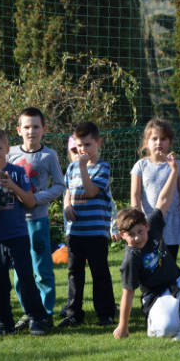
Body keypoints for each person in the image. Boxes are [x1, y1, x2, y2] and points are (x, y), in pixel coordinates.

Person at [113, 153, 180, 340]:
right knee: (164, 330)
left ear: (147, 226)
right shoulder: (131, 258)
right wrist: (123, 326)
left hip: (177, 284)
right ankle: (156, 322)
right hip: (156, 297)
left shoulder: (153, 223)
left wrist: (173, 171)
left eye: (140, 231)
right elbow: (128, 293)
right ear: (123, 236)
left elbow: (164, 199)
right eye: (131, 235)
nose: (138, 237)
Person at [0, 128, 51, 337]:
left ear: (7, 148)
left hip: (17, 235)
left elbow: (30, 201)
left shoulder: (17, 172)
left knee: (26, 278)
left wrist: (13, 186)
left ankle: (36, 317)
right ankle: (4, 323)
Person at [8, 107, 65, 327]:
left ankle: (46, 311)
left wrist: (38, 198)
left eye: (36, 127)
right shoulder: (11, 153)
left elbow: (60, 185)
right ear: (19, 130)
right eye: (27, 127)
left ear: (44, 129)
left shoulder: (49, 155)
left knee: (42, 269)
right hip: (15, 223)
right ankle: (29, 312)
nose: (31, 131)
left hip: (38, 220)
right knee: (19, 272)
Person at [58, 121, 116, 328]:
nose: (83, 150)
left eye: (88, 145)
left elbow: (91, 191)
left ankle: (106, 312)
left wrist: (83, 167)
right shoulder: (72, 168)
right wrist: (66, 206)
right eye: (79, 146)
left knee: (99, 272)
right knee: (75, 273)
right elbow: (67, 190)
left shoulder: (102, 167)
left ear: (98, 143)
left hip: (96, 231)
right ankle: (74, 312)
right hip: (75, 232)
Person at [131, 117, 180, 259]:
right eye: (154, 138)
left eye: (163, 139)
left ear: (169, 142)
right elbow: (135, 195)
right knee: (149, 262)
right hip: (148, 224)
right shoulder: (140, 166)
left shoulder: (178, 166)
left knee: (169, 261)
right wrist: (138, 222)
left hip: (171, 224)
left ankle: (170, 282)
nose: (159, 142)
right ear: (146, 142)